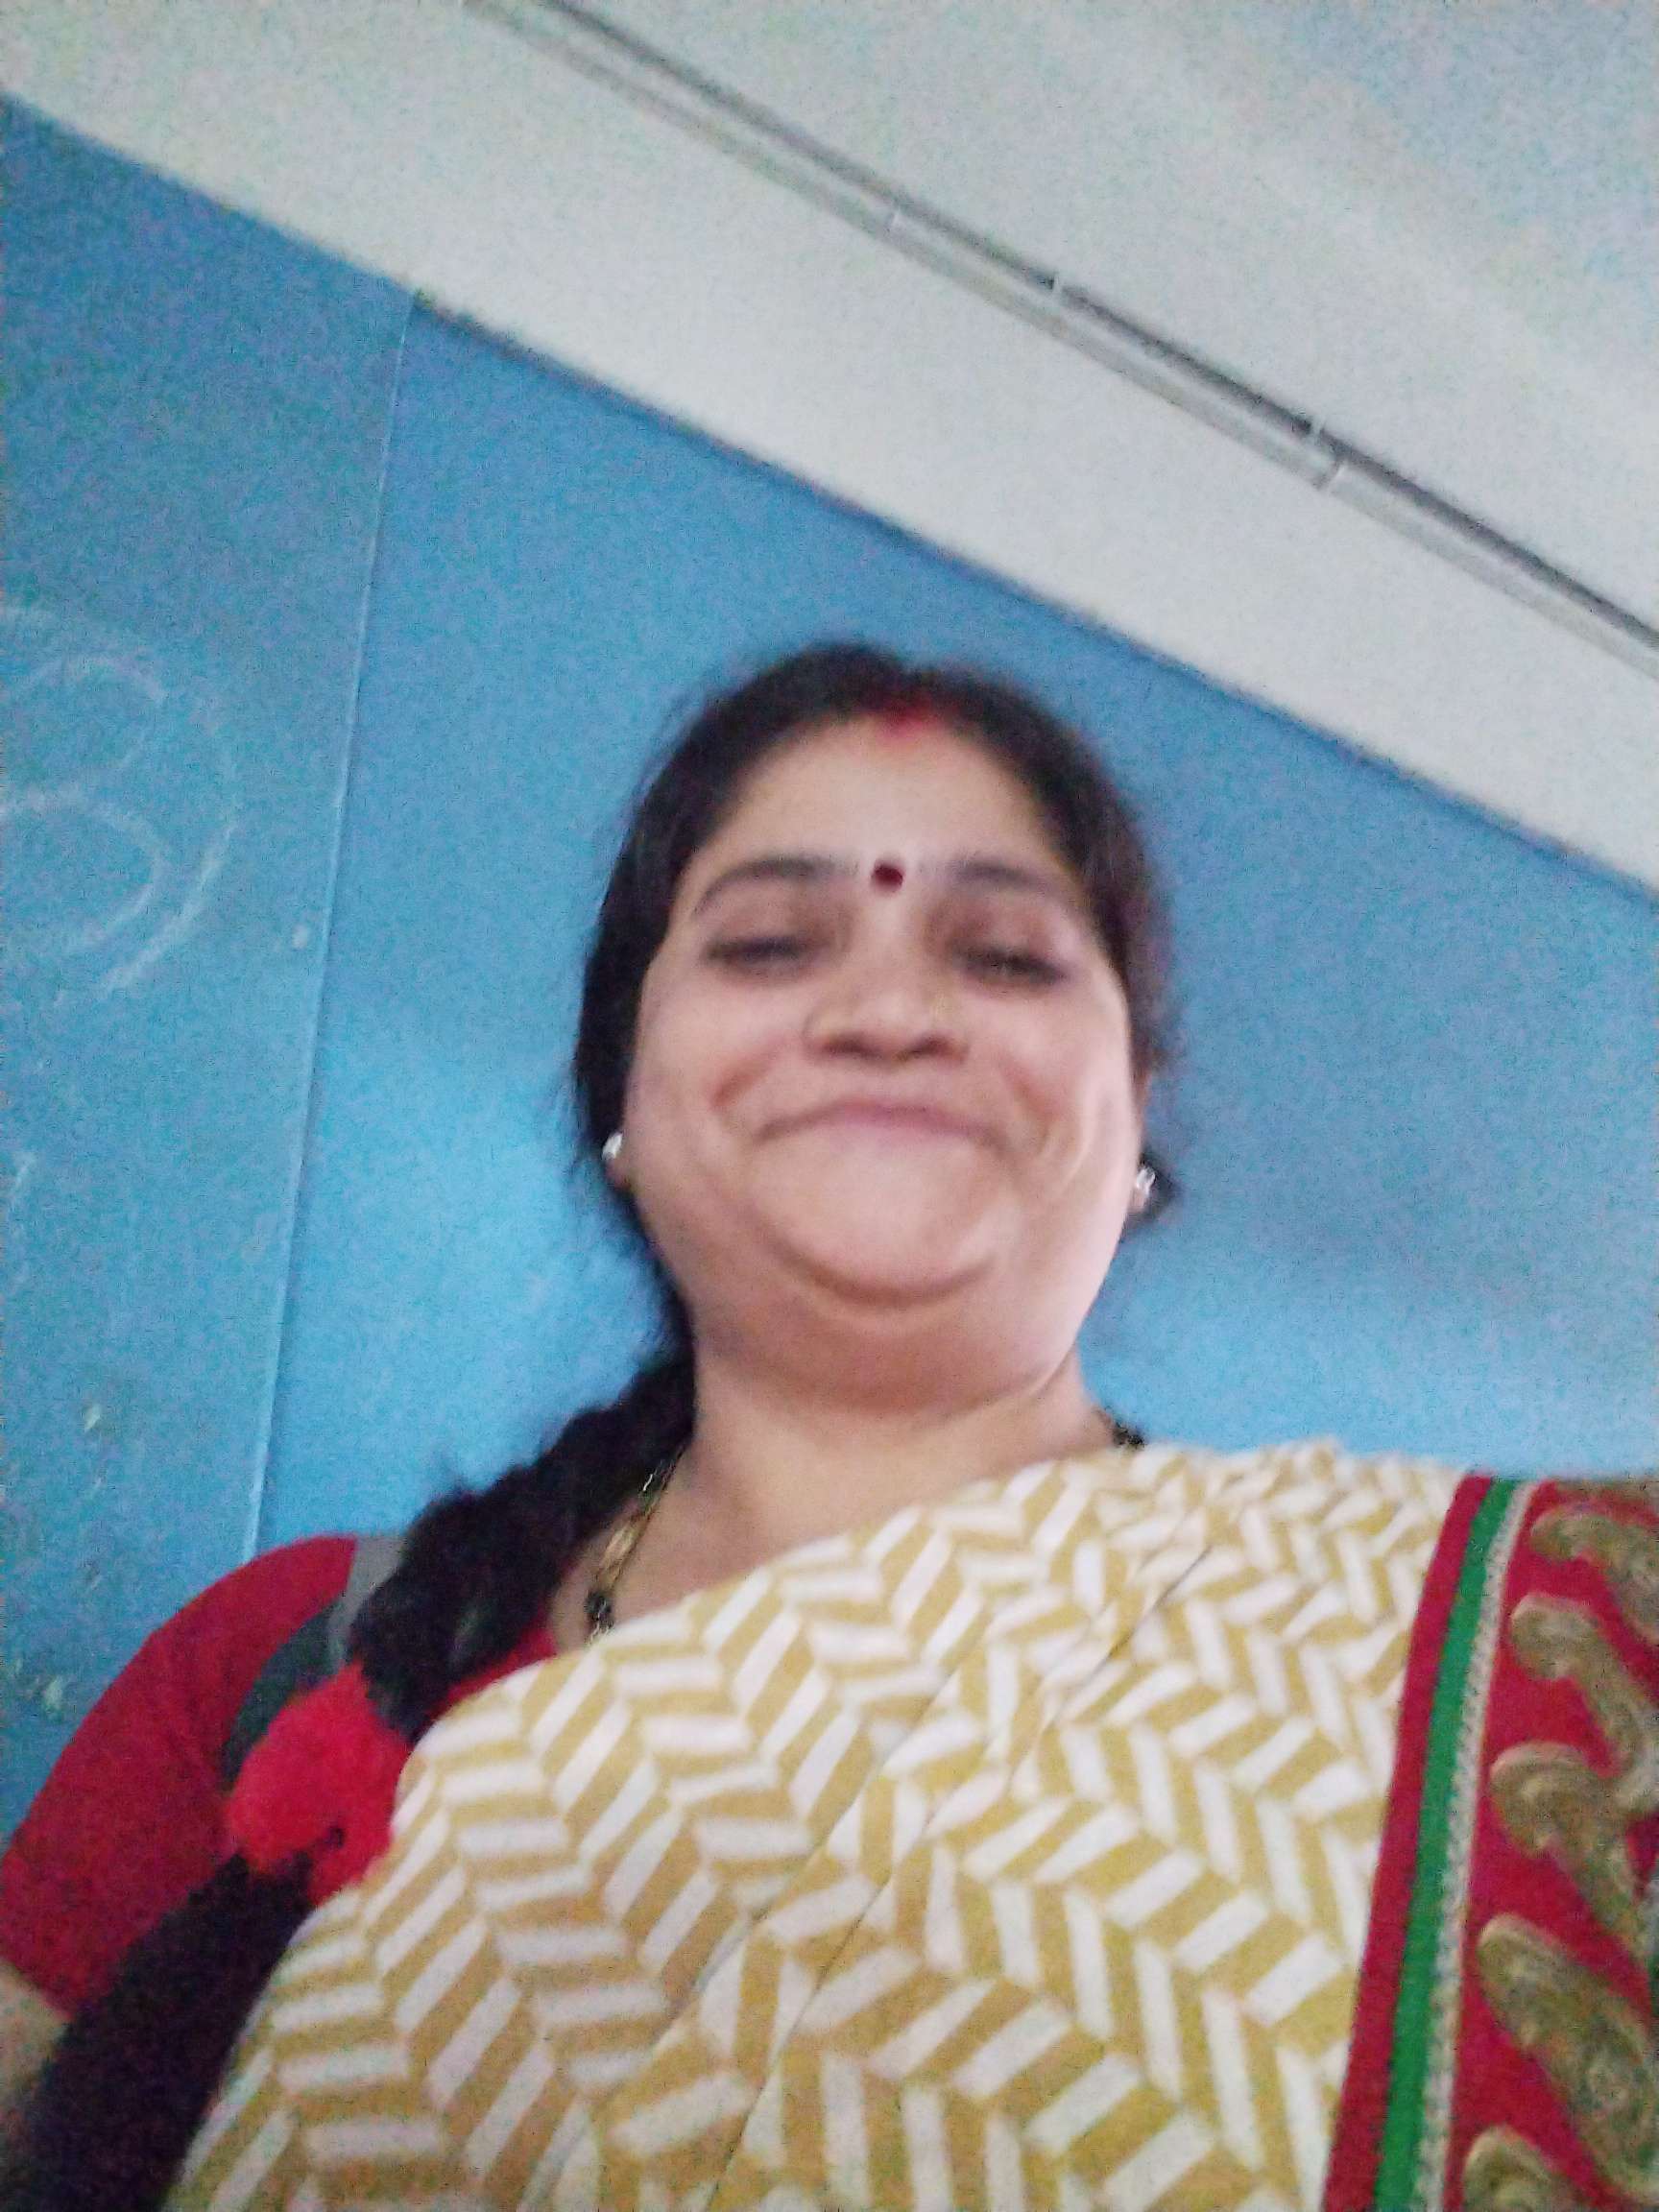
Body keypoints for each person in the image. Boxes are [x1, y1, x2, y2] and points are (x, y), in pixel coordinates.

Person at [2, 645, 1654, 2212]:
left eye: (1003, 957)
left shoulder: (1432, 1652)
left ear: (1135, 1122)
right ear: (621, 1101)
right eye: (770, 944)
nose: (886, 1012)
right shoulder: (287, 1661)